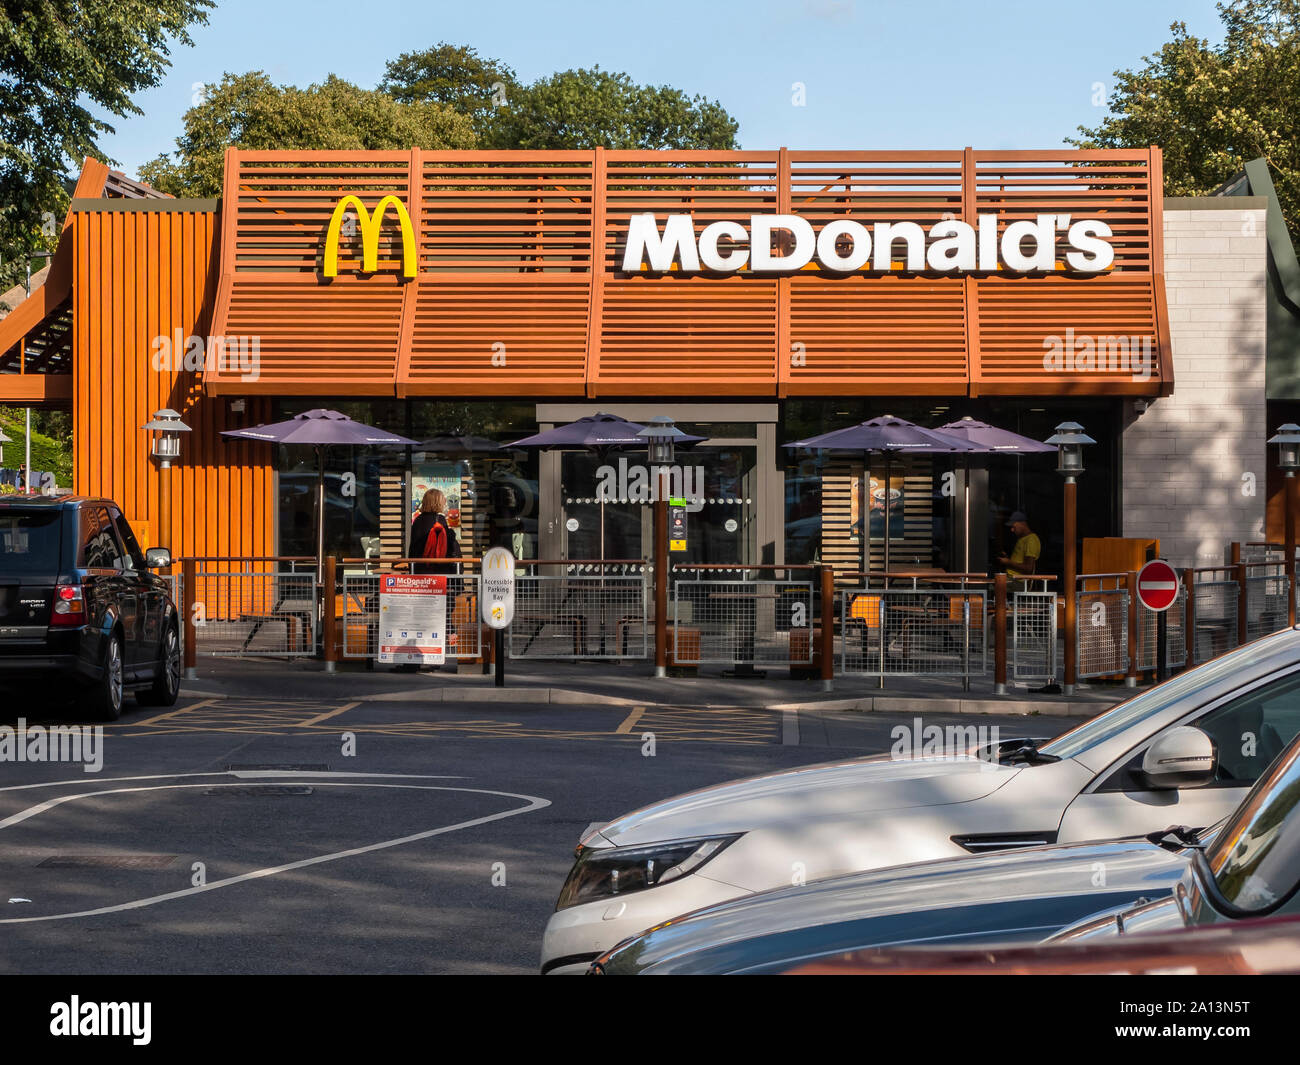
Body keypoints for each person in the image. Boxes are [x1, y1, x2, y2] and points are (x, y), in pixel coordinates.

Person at [411, 488, 461, 579]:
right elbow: (448, 543)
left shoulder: (417, 520)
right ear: (437, 502)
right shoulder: (439, 519)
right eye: (442, 500)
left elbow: (414, 546)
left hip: (419, 568)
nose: (444, 503)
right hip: (437, 569)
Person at [997, 511, 1040, 578]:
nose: (1012, 530)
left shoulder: (1031, 540)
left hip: (1017, 582)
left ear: (1022, 524)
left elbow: (1028, 569)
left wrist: (1008, 562)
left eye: (1013, 526)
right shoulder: (1022, 539)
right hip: (1010, 579)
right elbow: (1018, 561)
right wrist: (1007, 558)